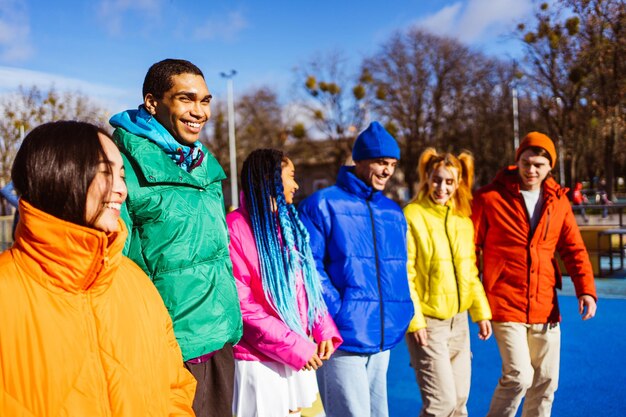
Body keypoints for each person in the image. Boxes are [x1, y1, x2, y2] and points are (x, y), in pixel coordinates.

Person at [0, 121, 195, 416]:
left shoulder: (135, 282)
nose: (121, 190)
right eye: (106, 172)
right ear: (58, 174)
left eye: (121, 175)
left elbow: (174, 387)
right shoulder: (7, 291)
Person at [109, 58, 243, 417]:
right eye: (186, 99)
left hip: (221, 339)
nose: (200, 111)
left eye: (205, 100)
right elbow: (112, 268)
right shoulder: (121, 168)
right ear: (153, 103)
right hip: (170, 349)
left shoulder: (205, 166)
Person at [472, 132, 597, 417]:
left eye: (539, 164)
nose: (532, 170)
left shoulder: (558, 201)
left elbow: (574, 248)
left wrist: (586, 290)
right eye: (526, 162)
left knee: (546, 382)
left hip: (545, 305)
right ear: (517, 160)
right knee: (519, 376)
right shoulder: (488, 198)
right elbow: (471, 250)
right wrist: (476, 300)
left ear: (549, 166)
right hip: (504, 301)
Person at [298, 121, 414, 417]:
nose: (387, 170)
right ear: (359, 161)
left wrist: (403, 310)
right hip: (343, 336)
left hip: (383, 335)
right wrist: (340, 312)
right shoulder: (322, 204)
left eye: (392, 163)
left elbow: (399, 270)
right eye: (380, 162)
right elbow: (309, 267)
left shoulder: (393, 212)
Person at [227, 148, 343, 417]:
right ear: (271, 180)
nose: (296, 185)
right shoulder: (235, 228)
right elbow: (243, 307)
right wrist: (296, 347)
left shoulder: (287, 226)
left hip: (294, 356)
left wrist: (322, 326)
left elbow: (305, 286)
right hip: (259, 363)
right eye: (290, 176)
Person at [404, 148, 492, 417]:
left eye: (449, 181)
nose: (442, 187)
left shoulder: (462, 220)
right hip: (430, 324)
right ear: (427, 178)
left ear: (459, 184)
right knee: (440, 404)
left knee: (459, 402)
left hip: (460, 322)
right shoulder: (412, 215)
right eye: (437, 179)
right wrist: (416, 321)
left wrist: (481, 312)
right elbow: (406, 273)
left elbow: (470, 270)